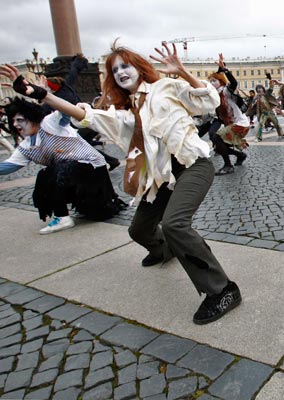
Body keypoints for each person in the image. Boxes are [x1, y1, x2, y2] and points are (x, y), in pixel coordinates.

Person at [1, 42, 241, 324]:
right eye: (114, 70)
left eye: (125, 65)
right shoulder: (126, 113)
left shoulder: (164, 87)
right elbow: (85, 115)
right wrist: (40, 94)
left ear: (138, 68)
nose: (120, 72)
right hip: (161, 177)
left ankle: (223, 290)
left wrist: (183, 72)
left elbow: (208, 100)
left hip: (192, 166)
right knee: (138, 230)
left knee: (175, 224)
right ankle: (168, 249)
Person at [0, 96, 124, 234]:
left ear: (32, 117)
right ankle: (63, 216)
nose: (16, 124)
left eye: (20, 120)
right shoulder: (26, 146)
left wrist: (43, 95)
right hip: (73, 176)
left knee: (51, 172)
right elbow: (9, 166)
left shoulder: (49, 123)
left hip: (93, 171)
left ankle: (65, 217)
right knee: (50, 175)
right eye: (13, 121)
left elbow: (68, 110)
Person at [208, 53, 250, 175]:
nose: (211, 83)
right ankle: (240, 155)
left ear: (221, 82)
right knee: (218, 145)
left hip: (240, 124)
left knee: (216, 137)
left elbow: (233, 83)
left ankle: (228, 165)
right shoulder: (215, 95)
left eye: (214, 81)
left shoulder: (226, 91)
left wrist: (225, 70)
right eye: (210, 81)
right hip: (233, 124)